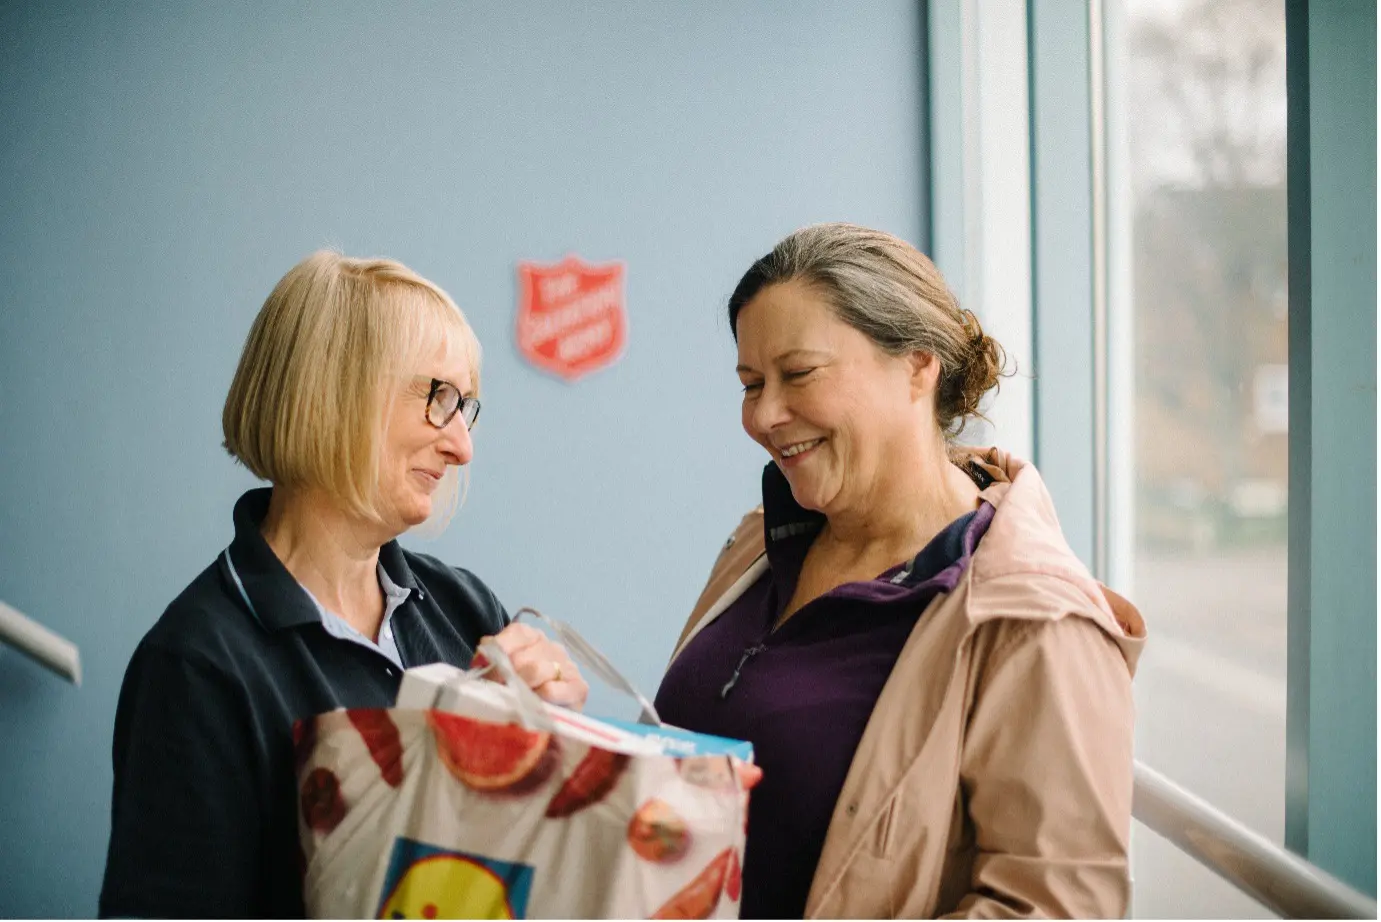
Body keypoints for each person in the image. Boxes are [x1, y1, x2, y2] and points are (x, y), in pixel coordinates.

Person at [655, 223, 1147, 919]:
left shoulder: (1037, 618)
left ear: (918, 367)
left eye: (798, 374)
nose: (764, 415)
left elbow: (1056, 907)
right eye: (749, 383)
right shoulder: (759, 545)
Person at [98, 251, 588, 918]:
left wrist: (556, 738)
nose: (461, 447)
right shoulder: (197, 664)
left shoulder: (464, 606)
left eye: (464, 407)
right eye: (436, 397)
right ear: (333, 391)